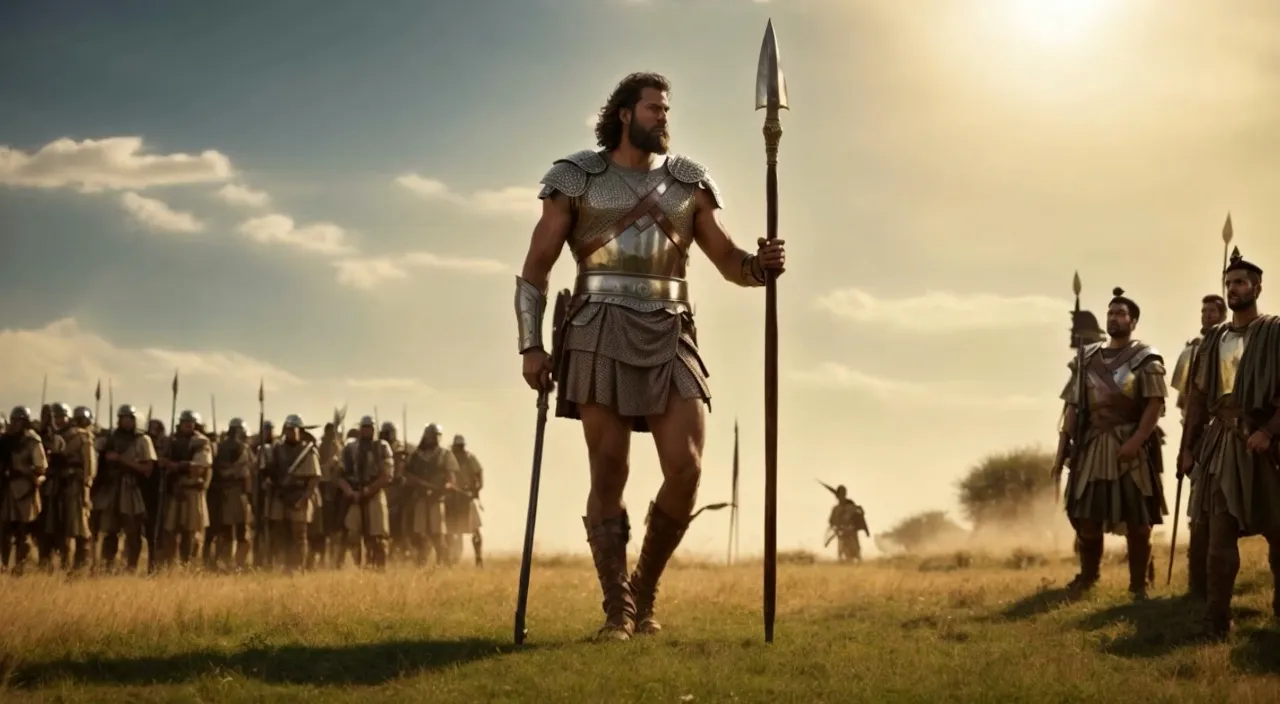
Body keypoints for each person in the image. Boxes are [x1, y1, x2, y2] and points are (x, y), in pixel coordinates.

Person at [514, 72, 786, 640]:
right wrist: (532, 345)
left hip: (670, 328)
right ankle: (618, 609)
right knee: (610, 468)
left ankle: (644, 588)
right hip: (597, 326)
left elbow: (726, 258)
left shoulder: (689, 183)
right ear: (624, 115)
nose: (664, 117)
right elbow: (536, 268)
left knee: (686, 467)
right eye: (654, 109)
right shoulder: (576, 177)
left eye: (667, 109)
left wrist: (759, 267)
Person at [1179, 247, 1280, 639]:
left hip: (1267, 445)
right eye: (1229, 283)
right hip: (1222, 445)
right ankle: (1216, 621)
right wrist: (1188, 448)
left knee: (1278, 531)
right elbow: (1199, 400)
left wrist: (1269, 430)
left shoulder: (1274, 332)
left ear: (1257, 286)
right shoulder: (1214, 340)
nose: (1233, 288)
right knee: (1219, 537)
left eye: (1240, 282)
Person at [1053, 287, 1168, 599]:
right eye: (1110, 313)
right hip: (1092, 446)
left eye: (1120, 313)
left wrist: (1137, 440)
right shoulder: (1087, 359)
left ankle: (1139, 586)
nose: (1114, 318)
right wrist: (1064, 446)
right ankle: (1088, 578)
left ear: (1133, 321)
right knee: (1085, 516)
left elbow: (1154, 405)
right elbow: (1074, 406)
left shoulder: (1146, 358)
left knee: (1138, 521)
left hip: (1129, 445)